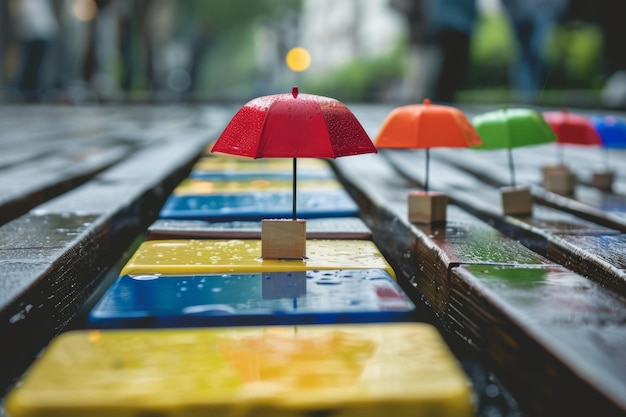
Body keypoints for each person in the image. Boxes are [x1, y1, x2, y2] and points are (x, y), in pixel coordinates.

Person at [501, 0, 568, 103]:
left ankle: (531, 98)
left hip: (542, 10)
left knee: (535, 53)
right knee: (521, 56)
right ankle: (524, 98)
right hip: (516, 11)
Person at [10, 0, 59, 101]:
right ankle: (27, 90)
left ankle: (33, 89)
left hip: (42, 31)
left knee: (38, 63)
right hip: (32, 31)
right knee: (29, 62)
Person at [430, 0, 478, 103]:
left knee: (454, 68)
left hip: (458, 24)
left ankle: (444, 100)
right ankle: (441, 101)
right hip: (454, 24)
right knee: (451, 66)